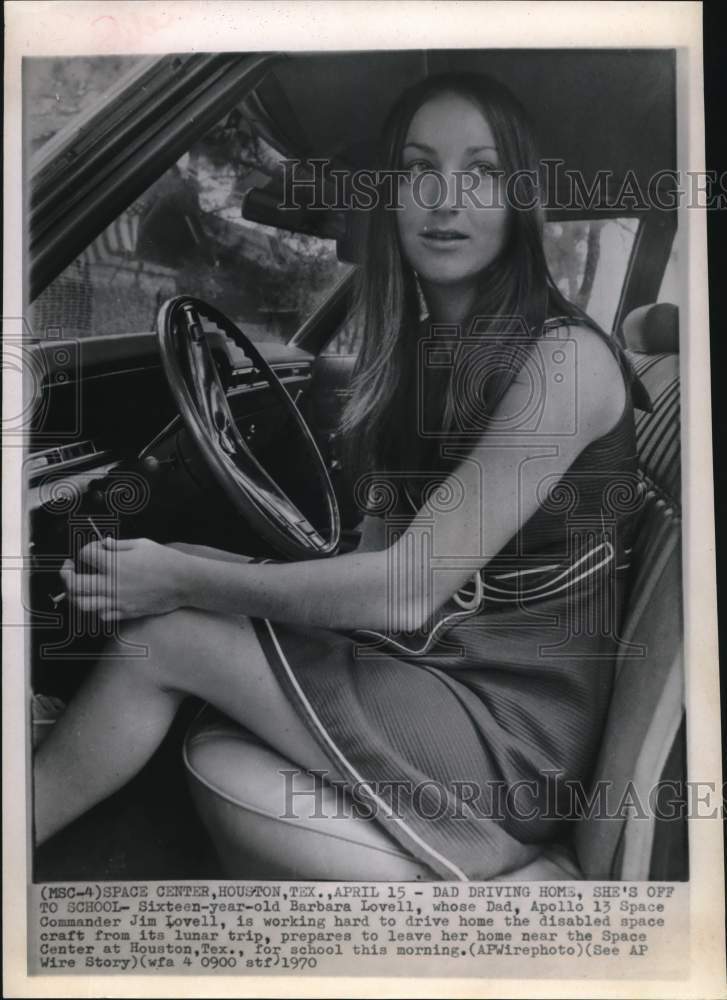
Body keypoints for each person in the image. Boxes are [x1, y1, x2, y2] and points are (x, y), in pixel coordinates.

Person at [34, 72, 649, 880]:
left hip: (512, 737)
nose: (444, 198)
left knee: (166, 633)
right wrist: (196, 569)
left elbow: (402, 592)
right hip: (443, 670)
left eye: (483, 171)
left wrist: (178, 581)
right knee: (192, 575)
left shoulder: (564, 362)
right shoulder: (422, 360)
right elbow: (378, 564)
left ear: (520, 198)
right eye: (416, 168)